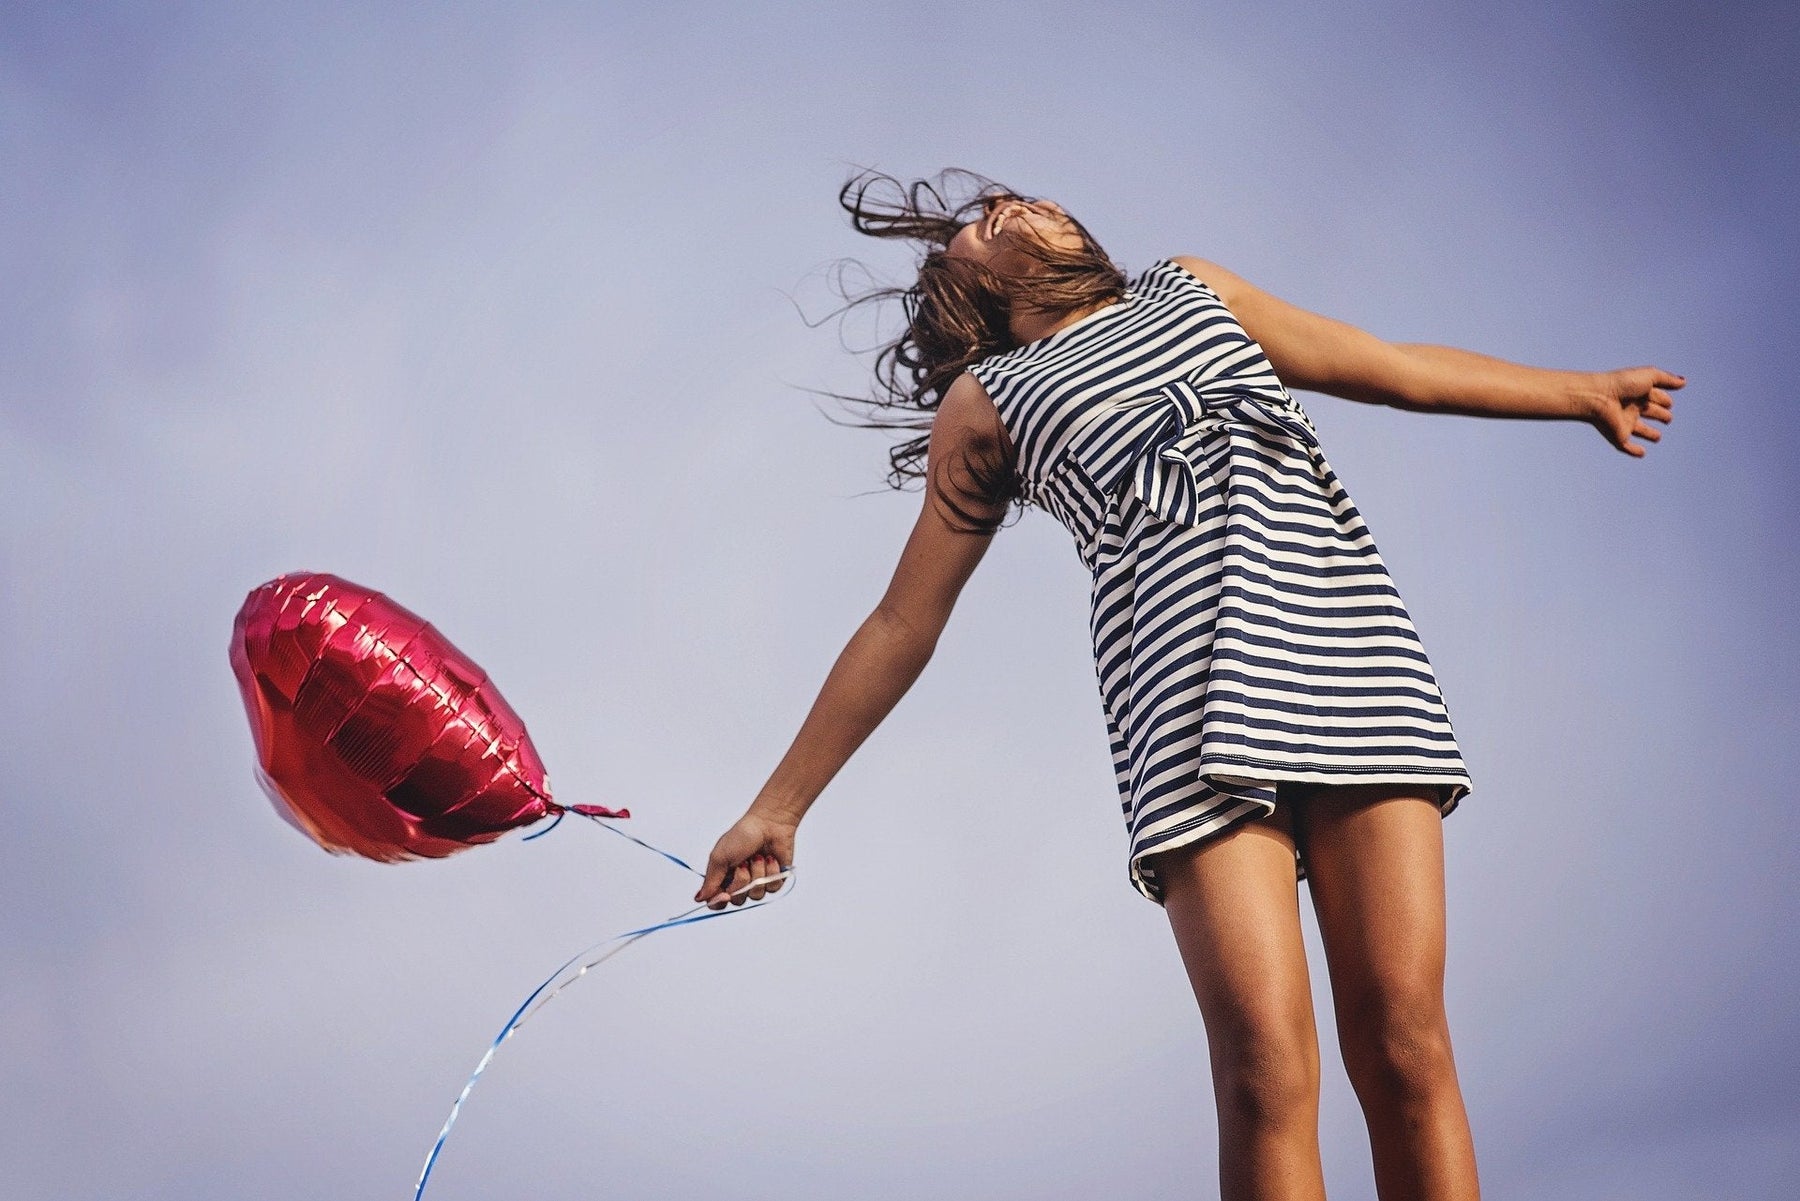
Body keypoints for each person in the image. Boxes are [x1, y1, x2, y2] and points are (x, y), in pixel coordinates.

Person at [692, 168, 1681, 1200]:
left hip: (1349, 655)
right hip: (1182, 711)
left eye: (1015, 194)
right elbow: (903, 621)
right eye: (983, 222)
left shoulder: (1191, 289)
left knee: (1403, 1033)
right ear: (963, 283)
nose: (1016, 206)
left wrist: (1579, 391)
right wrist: (778, 807)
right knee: (1264, 1066)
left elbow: (1387, 366)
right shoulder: (988, 402)